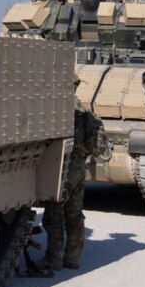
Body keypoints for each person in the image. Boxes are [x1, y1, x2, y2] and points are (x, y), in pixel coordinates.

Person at [41, 95, 106, 271]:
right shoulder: (82, 108)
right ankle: (73, 258)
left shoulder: (65, 106)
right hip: (79, 165)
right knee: (74, 213)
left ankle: (54, 258)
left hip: (66, 165)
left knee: (55, 212)